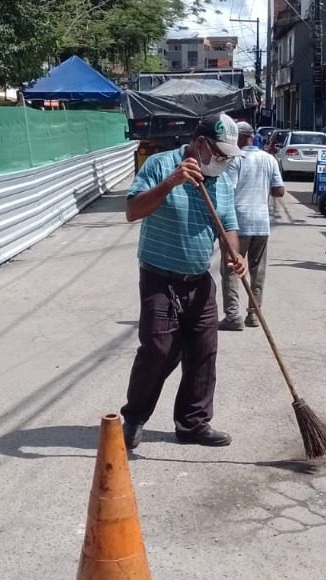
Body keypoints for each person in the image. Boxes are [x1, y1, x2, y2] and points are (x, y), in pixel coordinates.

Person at [120, 113, 247, 450]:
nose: (222, 161)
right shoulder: (160, 166)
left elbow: (228, 226)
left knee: (204, 353)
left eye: (227, 157)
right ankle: (134, 417)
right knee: (159, 350)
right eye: (219, 154)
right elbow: (132, 211)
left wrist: (235, 254)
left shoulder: (219, 180)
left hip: (199, 280)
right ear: (200, 144)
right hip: (159, 277)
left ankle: (192, 424)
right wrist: (171, 183)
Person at [220, 121, 285, 331]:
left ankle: (232, 316)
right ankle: (254, 315)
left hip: (237, 223)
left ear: (239, 138)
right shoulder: (269, 159)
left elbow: (228, 189)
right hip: (261, 223)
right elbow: (279, 191)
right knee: (258, 271)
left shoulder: (235, 160)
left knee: (231, 268)